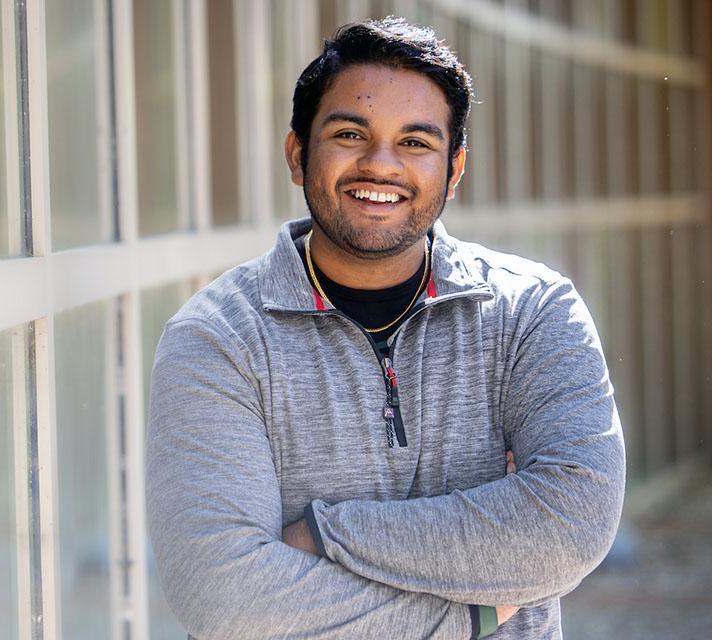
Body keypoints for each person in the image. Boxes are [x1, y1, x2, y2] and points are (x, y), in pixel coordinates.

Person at [146, 17, 624, 640]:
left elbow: (574, 523)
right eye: (350, 133)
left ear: (453, 171)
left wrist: (324, 534)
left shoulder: (530, 312)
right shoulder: (216, 340)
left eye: (416, 143)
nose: (380, 165)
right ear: (297, 155)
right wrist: (473, 612)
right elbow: (225, 600)